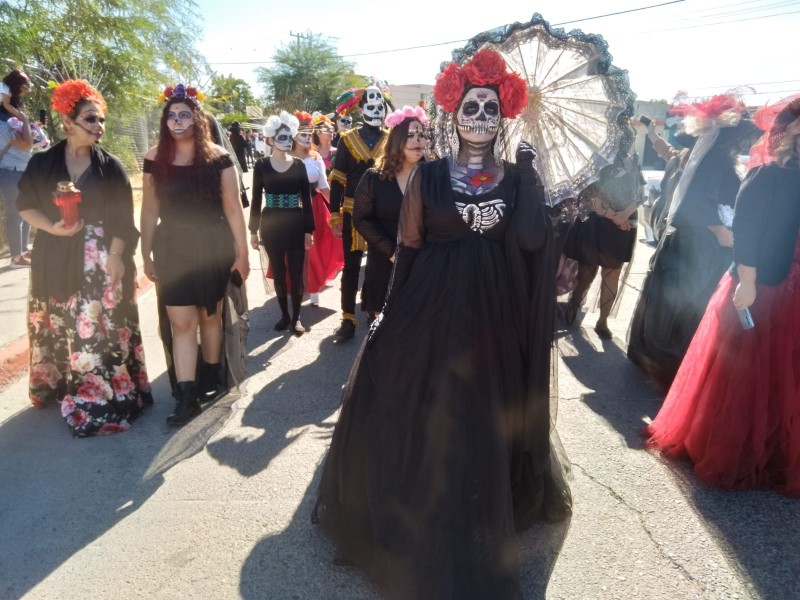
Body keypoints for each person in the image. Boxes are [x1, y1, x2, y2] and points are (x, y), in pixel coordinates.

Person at [314, 49, 572, 599]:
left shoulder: (514, 176)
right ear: (454, 112)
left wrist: (529, 178)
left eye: (491, 107)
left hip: (493, 311)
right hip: (430, 303)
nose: (481, 114)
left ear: (504, 116)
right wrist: (389, 311)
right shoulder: (428, 176)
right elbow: (408, 247)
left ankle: (480, 505)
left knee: (484, 408)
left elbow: (529, 241)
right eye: (472, 105)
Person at [644, 96, 800, 496]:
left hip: (791, 288)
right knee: (747, 374)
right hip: (762, 287)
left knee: (786, 377)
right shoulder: (767, 176)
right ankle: (730, 447)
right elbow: (746, 230)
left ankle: (772, 450)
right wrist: (747, 283)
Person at [16, 79, 152, 436]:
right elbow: (25, 205)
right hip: (55, 252)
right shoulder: (44, 163)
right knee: (61, 320)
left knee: (91, 326)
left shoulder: (111, 168)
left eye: (101, 120)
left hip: (100, 258)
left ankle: (96, 396)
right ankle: (62, 383)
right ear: (68, 121)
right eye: (91, 120)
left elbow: (124, 219)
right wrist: (51, 227)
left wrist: (118, 256)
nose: (99, 127)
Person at [140, 84, 250, 426]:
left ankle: (210, 376)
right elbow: (149, 209)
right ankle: (186, 396)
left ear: (196, 118)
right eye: (171, 115)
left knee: (210, 315)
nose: (177, 120)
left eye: (184, 114)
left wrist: (242, 254)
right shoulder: (154, 157)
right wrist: (145, 253)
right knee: (181, 321)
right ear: (164, 120)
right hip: (171, 244)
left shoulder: (218, 157)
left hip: (212, 243)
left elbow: (233, 209)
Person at [627, 94, 753, 392]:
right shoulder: (716, 157)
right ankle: (666, 365)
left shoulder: (715, 156)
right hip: (699, 247)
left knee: (676, 303)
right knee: (685, 304)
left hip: (694, 245)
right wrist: (722, 232)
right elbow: (697, 202)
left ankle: (654, 358)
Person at [352, 104, 428, 323]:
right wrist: (391, 251)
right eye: (411, 135)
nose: (418, 141)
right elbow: (361, 218)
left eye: (421, 135)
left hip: (423, 265)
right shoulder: (374, 178)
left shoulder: (432, 177)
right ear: (397, 141)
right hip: (385, 264)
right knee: (385, 332)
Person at [327, 83, 391, 341]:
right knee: (352, 266)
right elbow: (338, 178)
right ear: (362, 109)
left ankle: (375, 309)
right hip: (353, 211)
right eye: (370, 107)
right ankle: (347, 318)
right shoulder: (348, 139)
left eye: (379, 107)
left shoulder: (391, 138)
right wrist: (334, 213)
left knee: (381, 264)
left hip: (384, 213)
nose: (375, 111)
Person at [562, 148, 644, 339]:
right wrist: (614, 216)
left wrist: (623, 215)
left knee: (613, 272)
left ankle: (603, 321)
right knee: (587, 269)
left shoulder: (633, 158)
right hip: (597, 222)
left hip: (623, 223)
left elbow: (640, 194)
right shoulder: (598, 157)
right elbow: (588, 195)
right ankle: (574, 305)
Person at [249, 111, 314, 334]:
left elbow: (306, 198)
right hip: (271, 225)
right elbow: (256, 199)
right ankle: (284, 315)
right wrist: (253, 231)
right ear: (270, 140)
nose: (287, 141)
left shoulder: (298, 165)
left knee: (296, 274)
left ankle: (297, 317)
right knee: (278, 273)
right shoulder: (261, 165)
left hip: (295, 224)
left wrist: (309, 229)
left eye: (289, 137)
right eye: (282, 138)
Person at [291, 110, 343, 306]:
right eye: (301, 133)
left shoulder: (315, 158)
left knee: (315, 249)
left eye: (308, 133)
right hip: (291, 207)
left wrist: (338, 209)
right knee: (294, 250)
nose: (306, 137)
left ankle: (313, 288)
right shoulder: (283, 157)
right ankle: (297, 285)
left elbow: (324, 186)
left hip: (314, 207)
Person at [1, 112, 33, 267]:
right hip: (9, 172)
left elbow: (33, 143)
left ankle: (23, 251)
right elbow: (27, 144)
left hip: (22, 171)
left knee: (27, 211)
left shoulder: (15, 124)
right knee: (15, 213)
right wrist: (26, 121)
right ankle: (15, 257)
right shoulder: (3, 125)